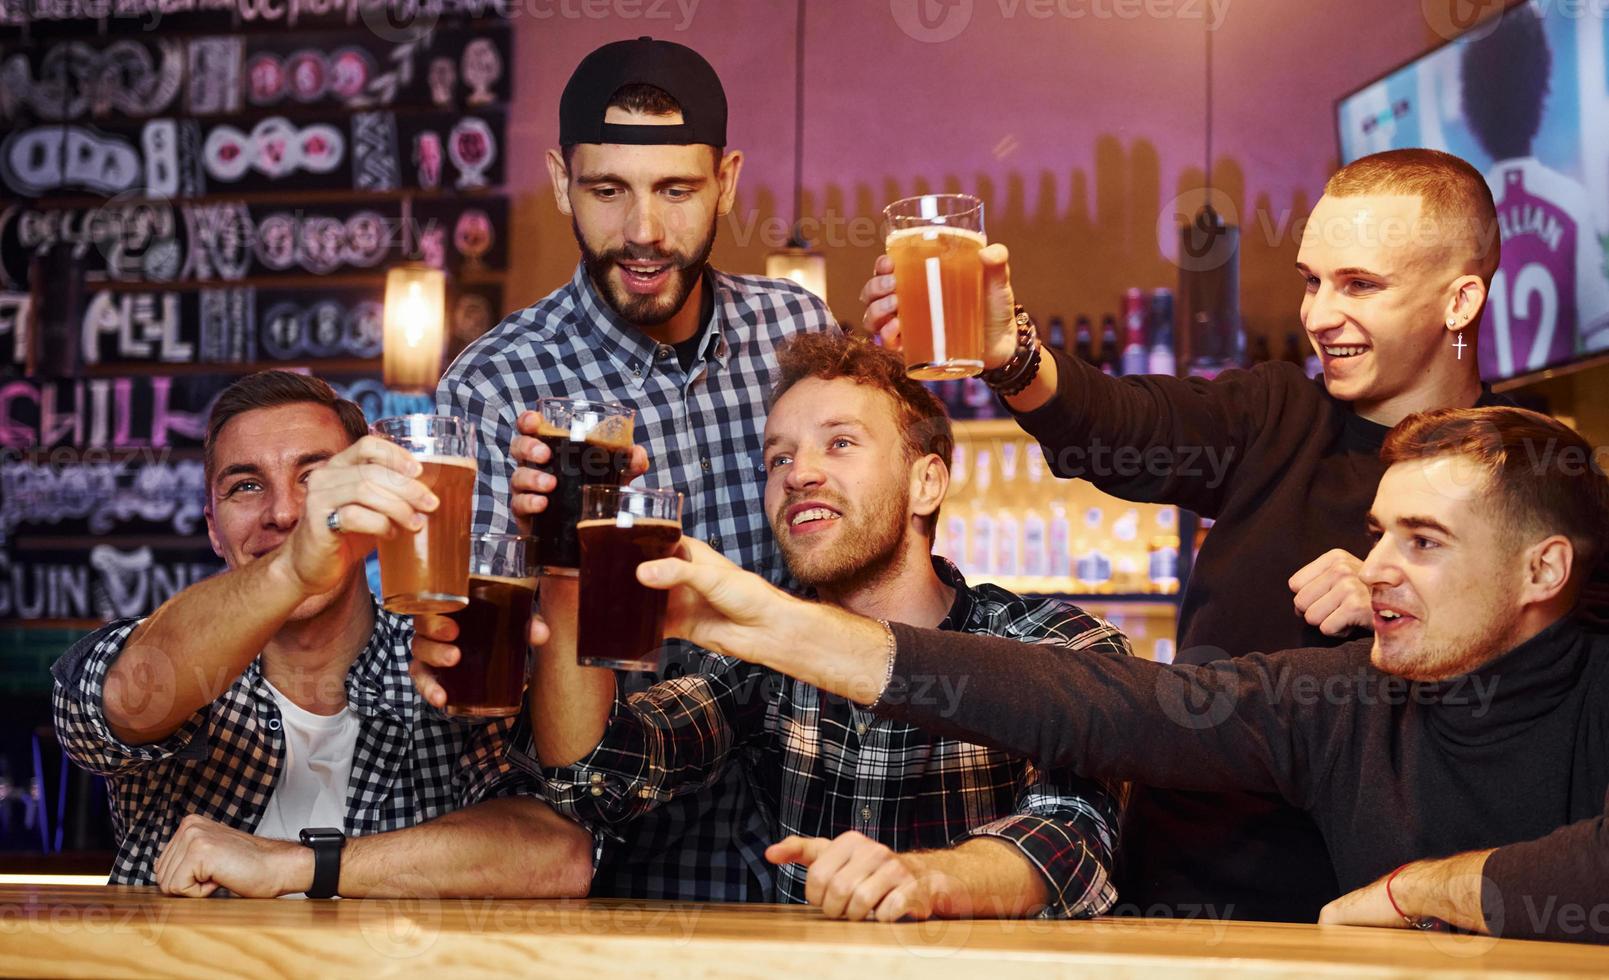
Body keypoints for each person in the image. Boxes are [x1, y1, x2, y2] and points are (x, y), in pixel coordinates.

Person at [627, 405, 1609, 944]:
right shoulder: (1345, 701)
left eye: (1423, 539)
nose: (1377, 564)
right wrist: (772, 624)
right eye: (1380, 530)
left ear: (1542, 570)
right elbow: (1099, 703)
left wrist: (1417, 890)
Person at [861, 147, 1512, 921]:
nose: (1317, 314)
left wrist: (1418, 613)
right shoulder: (1275, 415)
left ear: (1459, 300)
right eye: (1311, 281)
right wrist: (1009, 354)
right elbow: (1119, 425)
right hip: (1171, 897)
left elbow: (1543, 710)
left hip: (1362, 919)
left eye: (1359, 285)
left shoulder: (1520, 479)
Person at [418, 334, 1128, 921]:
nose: (798, 474)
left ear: (926, 483)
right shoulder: (764, 659)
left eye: (840, 443)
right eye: (779, 457)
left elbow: (1072, 833)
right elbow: (595, 775)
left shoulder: (1055, 643)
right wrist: (570, 559)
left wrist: (923, 881)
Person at [434, 37, 838, 902]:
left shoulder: (797, 329)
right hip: (625, 882)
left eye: (677, 190)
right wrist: (522, 565)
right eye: (608, 190)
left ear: (726, 181)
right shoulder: (496, 383)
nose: (644, 232)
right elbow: (469, 704)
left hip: (825, 856)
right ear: (559, 182)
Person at [52, 371, 592, 898]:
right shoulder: (173, 647)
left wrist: (300, 864)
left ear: (382, 502)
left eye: (316, 478)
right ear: (213, 528)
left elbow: (559, 856)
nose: (285, 512)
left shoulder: (446, 653)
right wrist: (294, 569)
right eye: (245, 486)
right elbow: (113, 706)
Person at [1461, 3, 1609, 375]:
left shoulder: (1461, 218)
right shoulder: (1569, 202)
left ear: (1474, 110)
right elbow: (1600, 328)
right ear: (1539, 91)